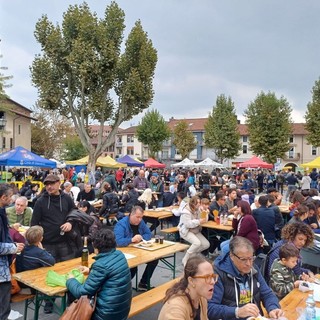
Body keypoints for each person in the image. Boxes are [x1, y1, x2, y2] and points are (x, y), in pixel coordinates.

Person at [208, 236, 283, 320]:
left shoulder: (253, 268)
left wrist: (273, 308)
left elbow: (267, 293)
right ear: (232, 256)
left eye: (251, 258)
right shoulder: (218, 273)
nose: (248, 264)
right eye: (243, 259)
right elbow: (210, 308)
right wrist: (237, 312)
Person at [66, 228, 132, 320]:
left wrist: (70, 280)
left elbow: (82, 292)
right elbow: (110, 271)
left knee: (74, 301)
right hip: (122, 309)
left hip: (106, 314)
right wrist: (90, 270)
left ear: (96, 248)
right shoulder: (119, 255)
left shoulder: (101, 265)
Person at [158, 254, 217, 320]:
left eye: (213, 276)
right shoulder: (175, 309)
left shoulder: (201, 298)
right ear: (191, 281)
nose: (213, 282)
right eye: (207, 277)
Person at [114, 205, 158, 291]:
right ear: (131, 215)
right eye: (137, 217)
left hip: (139, 249)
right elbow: (118, 241)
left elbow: (148, 234)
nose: (140, 220)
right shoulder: (121, 224)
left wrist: (141, 237)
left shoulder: (141, 223)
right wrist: (132, 239)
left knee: (154, 259)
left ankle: (144, 282)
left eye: (141, 217)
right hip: (125, 252)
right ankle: (120, 288)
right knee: (133, 268)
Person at [0, 184, 25, 319]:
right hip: (1, 272)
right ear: (3, 197)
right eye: (10, 197)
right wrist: (14, 247)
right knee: (3, 308)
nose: (11, 200)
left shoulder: (2, 211)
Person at [178, 196, 210, 266]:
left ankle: (191, 254)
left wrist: (205, 213)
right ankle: (185, 259)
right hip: (186, 231)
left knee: (206, 244)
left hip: (195, 230)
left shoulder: (198, 209)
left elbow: (204, 220)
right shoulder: (186, 211)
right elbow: (187, 224)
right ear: (192, 203)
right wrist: (199, 221)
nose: (199, 204)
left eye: (199, 202)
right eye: (197, 203)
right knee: (197, 243)